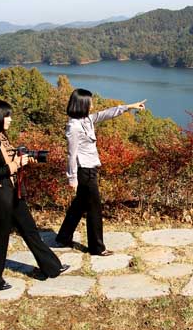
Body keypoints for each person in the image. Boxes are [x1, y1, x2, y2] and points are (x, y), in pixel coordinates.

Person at [0, 99, 69, 291]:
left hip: (14, 194)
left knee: (30, 231)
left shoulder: (2, 138)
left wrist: (23, 159)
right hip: (0, 198)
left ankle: (52, 267)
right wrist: (16, 164)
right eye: (7, 116)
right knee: (0, 239)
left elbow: (7, 161)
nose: (10, 119)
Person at [56, 89, 146, 256]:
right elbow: (71, 153)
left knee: (79, 204)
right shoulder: (73, 126)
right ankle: (97, 247)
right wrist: (72, 178)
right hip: (84, 171)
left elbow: (106, 114)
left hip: (90, 168)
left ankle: (63, 237)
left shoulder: (87, 120)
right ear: (82, 103)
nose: (92, 104)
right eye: (90, 101)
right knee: (94, 208)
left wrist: (129, 107)